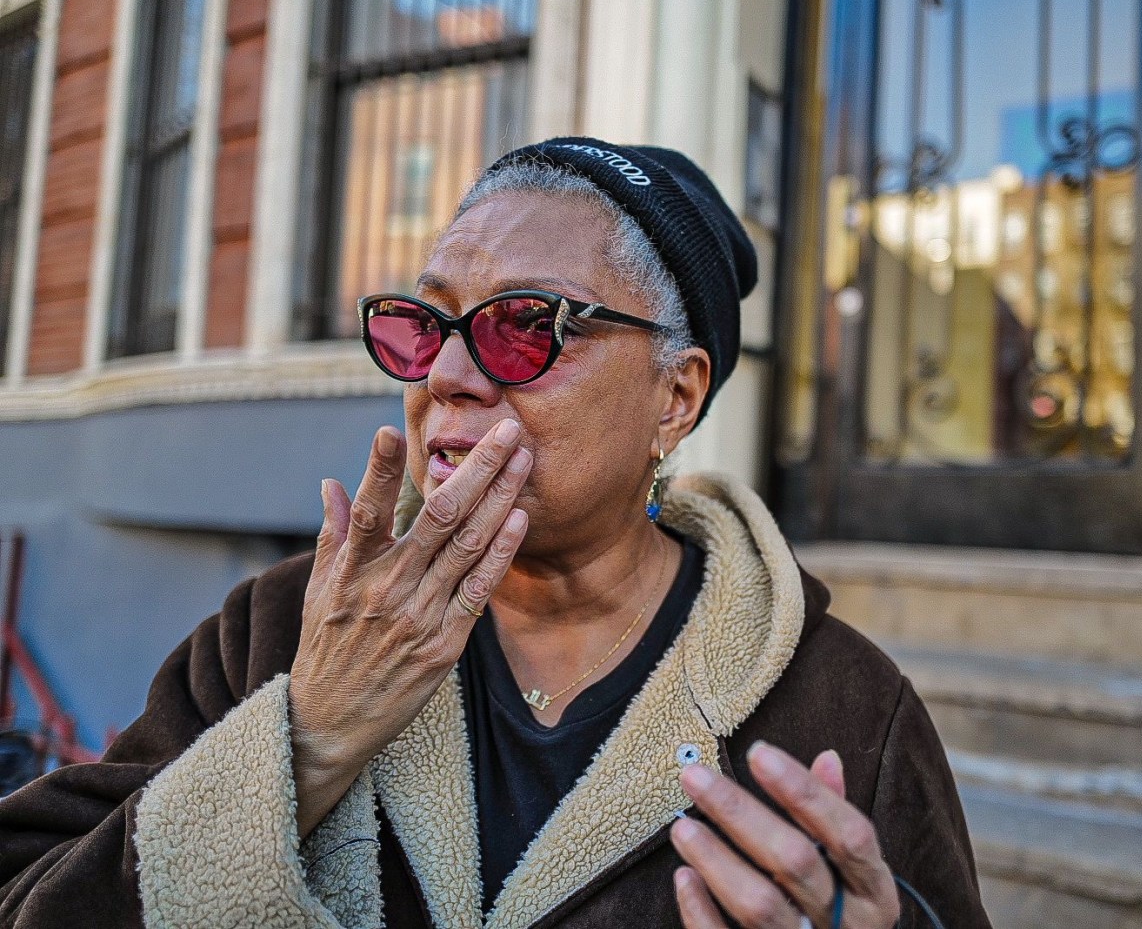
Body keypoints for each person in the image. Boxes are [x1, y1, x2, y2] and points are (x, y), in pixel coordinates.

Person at [0, 137, 991, 928]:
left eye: (523, 326)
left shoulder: (842, 709)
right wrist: (304, 740)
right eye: (422, 326)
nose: (445, 376)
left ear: (675, 398)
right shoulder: (287, 626)